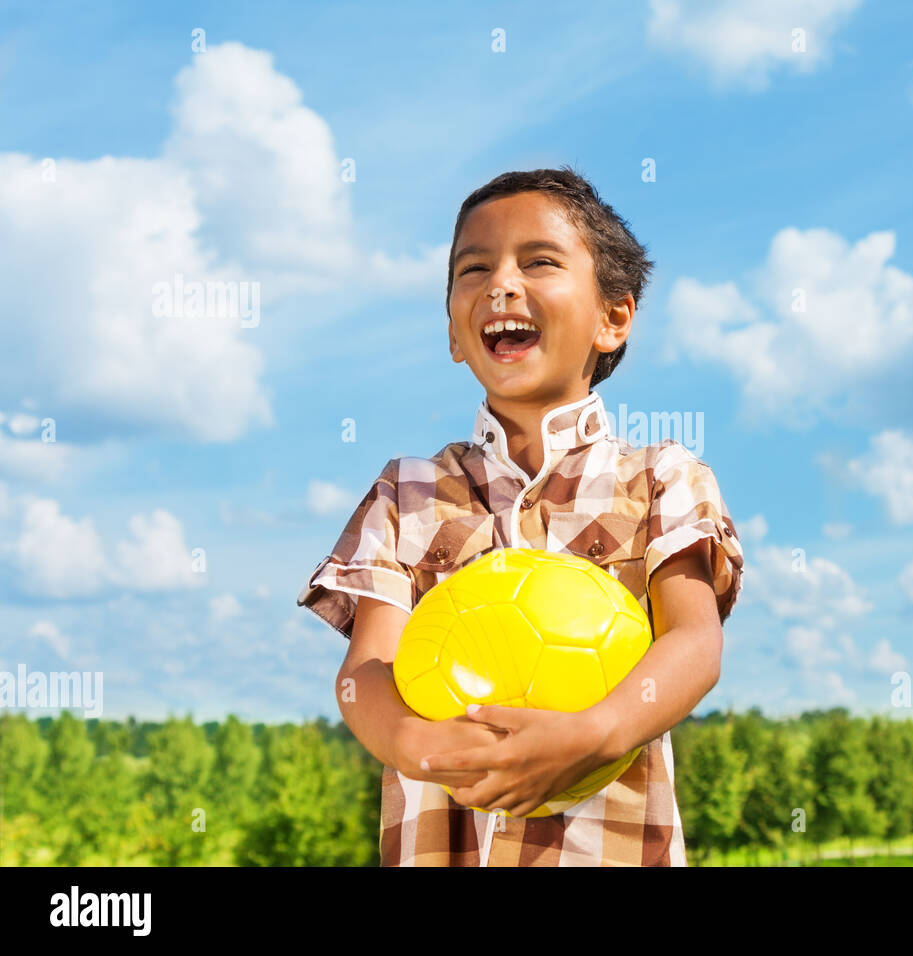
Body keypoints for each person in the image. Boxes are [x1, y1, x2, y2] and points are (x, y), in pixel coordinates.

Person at [297, 166, 744, 866]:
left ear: (613, 316)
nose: (500, 283)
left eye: (538, 261)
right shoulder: (406, 494)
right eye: (473, 270)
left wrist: (595, 733)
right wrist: (416, 744)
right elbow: (368, 670)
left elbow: (695, 644)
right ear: (453, 331)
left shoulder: (664, 480)